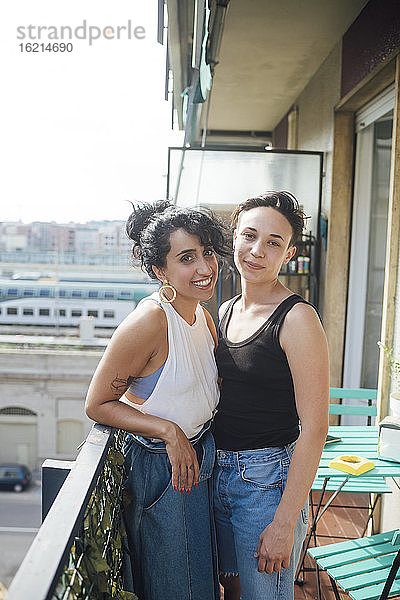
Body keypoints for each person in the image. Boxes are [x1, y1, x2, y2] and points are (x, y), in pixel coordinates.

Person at [85, 200, 229, 600]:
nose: (204, 268)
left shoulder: (202, 313)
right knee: (176, 586)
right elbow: (97, 404)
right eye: (187, 258)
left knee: (200, 580)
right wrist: (168, 431)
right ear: (158, 270)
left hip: (199, 457)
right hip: (161, 465)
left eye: (207, 253)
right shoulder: (150, 320)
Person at [213, 191, 329, 600]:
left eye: (273, 242)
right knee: (232, 591)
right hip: (217, 473)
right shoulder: (225, 311)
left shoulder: (298, 318)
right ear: (234, 239)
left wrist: (284, 523)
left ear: (289, 253)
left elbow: (315, 429)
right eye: (249, 235)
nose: (257, 250)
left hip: (266, 484)